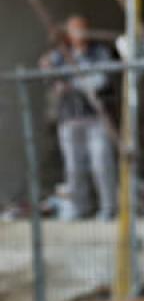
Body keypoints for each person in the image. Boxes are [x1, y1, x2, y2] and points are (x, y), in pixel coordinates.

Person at [38, 14, 117, 221]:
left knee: (101, 163)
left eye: (83, 28)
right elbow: (49, 76)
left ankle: (108, 207)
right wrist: (48, 65)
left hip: (95, 118)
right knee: (73, 167)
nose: (80, 34)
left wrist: (73, 85)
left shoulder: (99, 53)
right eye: (74, 30)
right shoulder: (61, 55)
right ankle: (80, 208)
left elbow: (100, 80)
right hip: (70, 120)